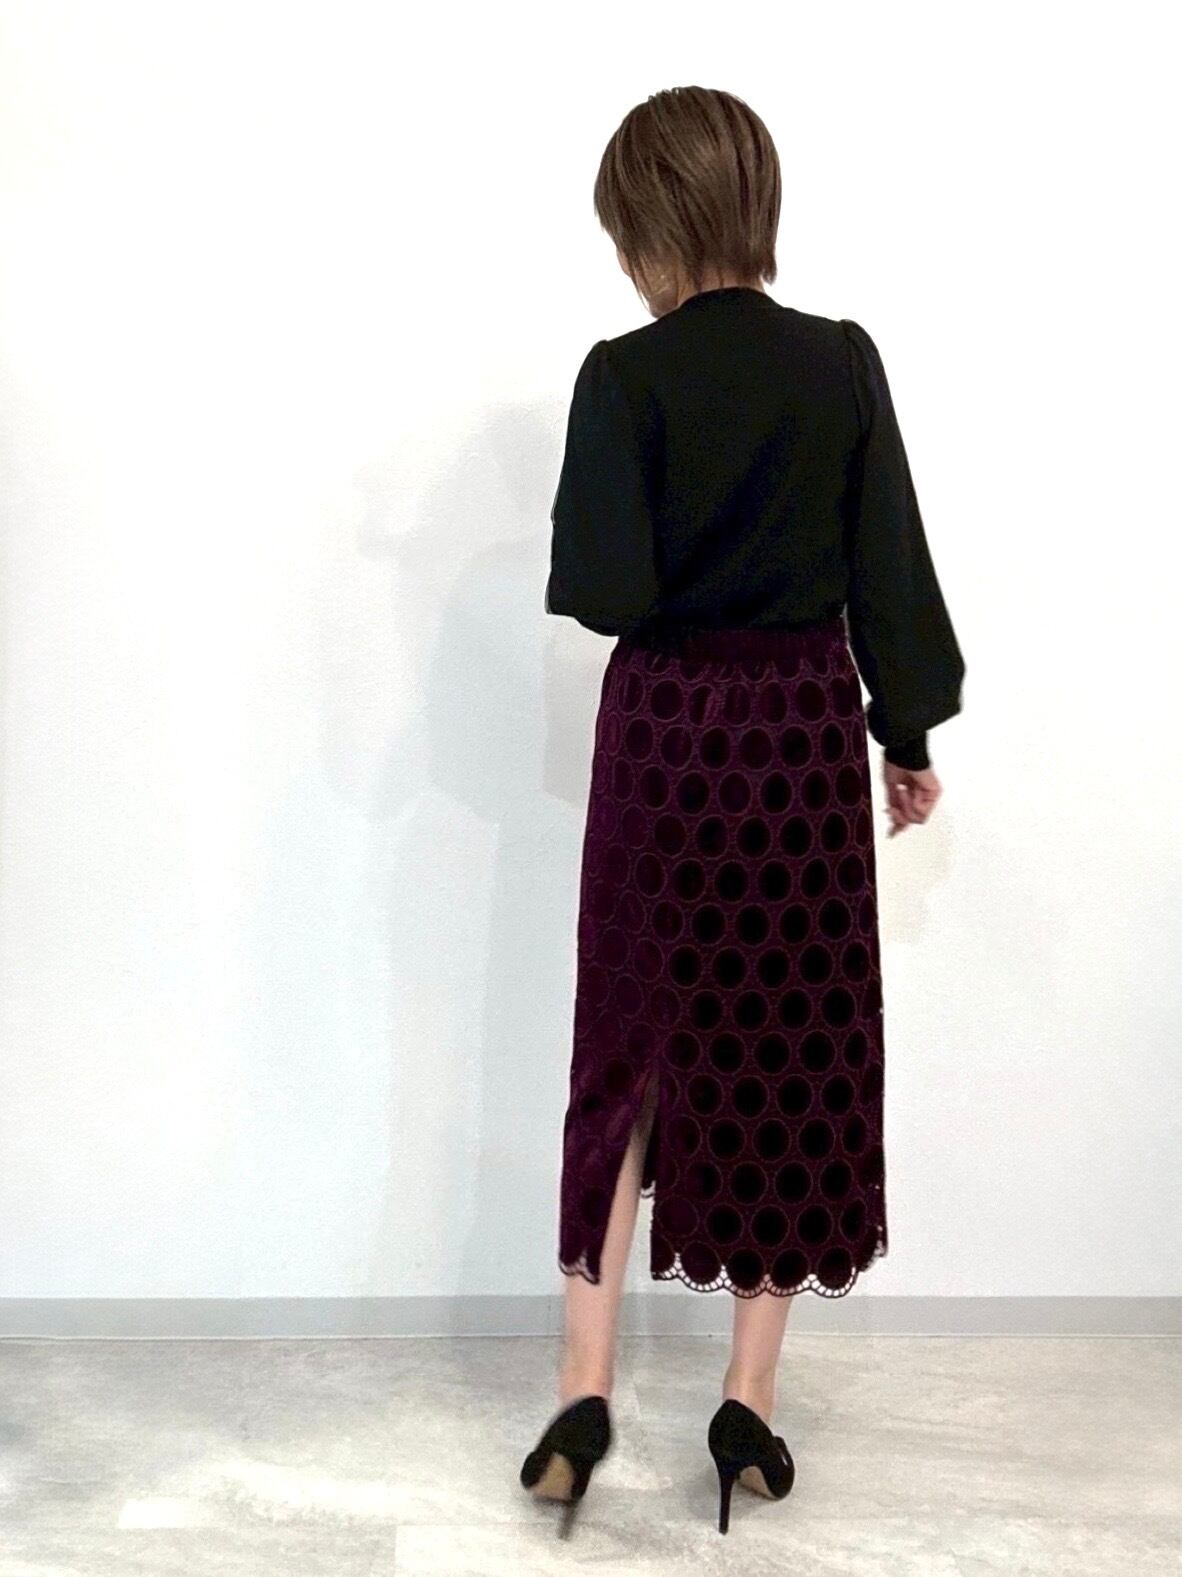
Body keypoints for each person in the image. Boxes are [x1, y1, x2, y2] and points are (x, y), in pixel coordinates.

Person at [519, 85, 965, 1538]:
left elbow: (604, 588)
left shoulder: (621, 375)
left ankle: (582, 1391)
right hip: (795, 742)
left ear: (643, 221)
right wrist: (904, 733)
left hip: (665, 735)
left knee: (630, 1050)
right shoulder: (839, 362)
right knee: (785, 1050)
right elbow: (887, 562)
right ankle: (747, 1403)